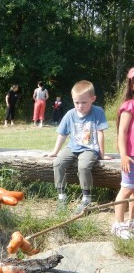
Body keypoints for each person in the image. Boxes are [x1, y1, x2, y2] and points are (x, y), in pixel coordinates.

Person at [46, 80, 112, 215]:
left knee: (83, 166)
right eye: (77, 102)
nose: (80, 106)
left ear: (93, 99)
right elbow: (62, 134)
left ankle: (86, 198)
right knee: (58, 163)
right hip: (73, 146)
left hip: (90, 148)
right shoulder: (70, 114)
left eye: (84, 102)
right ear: (73, 100)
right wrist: (55, 152)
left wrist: (102, 154)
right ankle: (62, 197)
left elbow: (100, 134)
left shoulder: (98, 112)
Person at [112, 68, 134, 240]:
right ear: (132, 85)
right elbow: (122, 132)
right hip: (131, 158)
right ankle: (118, 224)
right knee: (126, 189)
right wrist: (124, 155)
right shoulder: (129, 106)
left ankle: (131, 222)